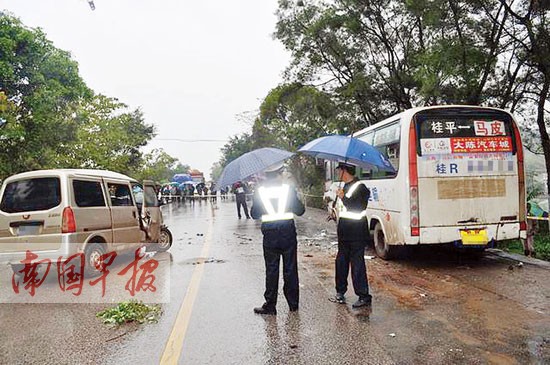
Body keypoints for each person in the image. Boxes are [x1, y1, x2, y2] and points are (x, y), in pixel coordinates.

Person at [251, 162, 305, 315]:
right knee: (290, 268)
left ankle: (270, 305)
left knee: (272, 269)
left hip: (270, 234)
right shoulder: (288, 189)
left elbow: (254, 214)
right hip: (287, 232)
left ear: (265, 176)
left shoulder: (260, 191)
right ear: (280, 173)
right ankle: (293, 304)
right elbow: (300, 211)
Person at [333, 162, 372, 308]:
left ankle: (363, 296)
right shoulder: (344, 187)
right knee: (341, 262)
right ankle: (340, 291)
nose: (338, 174)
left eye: (339, 171)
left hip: (356, 231)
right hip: (344, 231)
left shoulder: (360, 187)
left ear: (345, 171)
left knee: (357, 264)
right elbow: (345, 209)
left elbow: (358, 207)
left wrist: (343, 197)